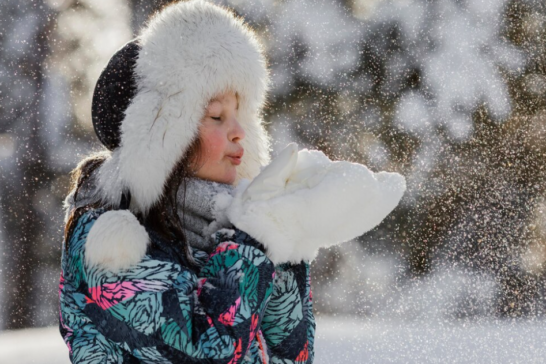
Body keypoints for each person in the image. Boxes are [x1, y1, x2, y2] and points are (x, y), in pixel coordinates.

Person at [59, 1, 406, 363]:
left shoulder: (230, 231)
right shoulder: (107, 239)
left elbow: (290, 356)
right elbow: (208, 352)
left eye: (240, 113)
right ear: (163, 131)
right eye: (216, 116)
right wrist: (256, 238)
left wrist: (287, 236)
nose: (239, 132)